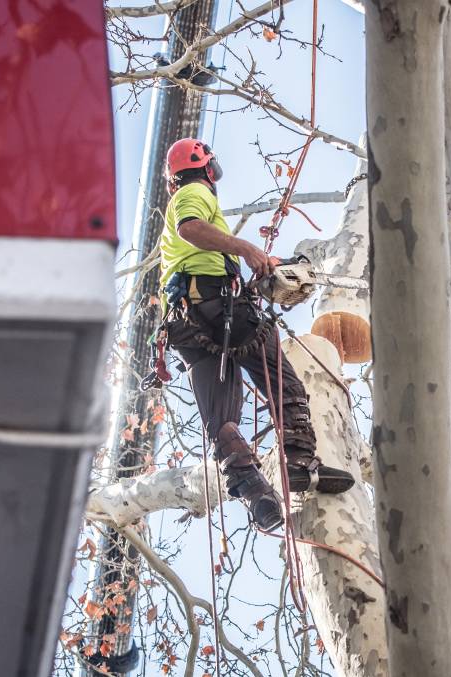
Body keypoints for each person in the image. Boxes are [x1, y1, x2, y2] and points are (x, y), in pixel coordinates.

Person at [156, 138, 354, 531]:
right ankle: (300, 461)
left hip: (186, 328)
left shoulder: (180, 222)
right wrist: (246, 249)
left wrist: (259, 268)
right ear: (206, 168)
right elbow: (191, 228)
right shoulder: (193, 192)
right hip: (216, 306)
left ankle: (256, 494)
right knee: (282, 378)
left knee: (222, 421)